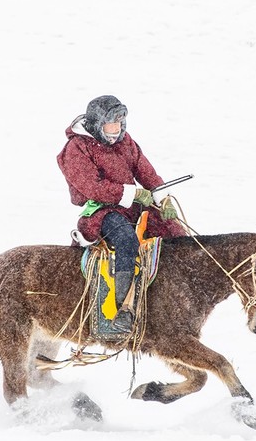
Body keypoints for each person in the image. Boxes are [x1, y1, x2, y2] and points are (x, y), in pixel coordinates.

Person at [57, 95, 185, 333]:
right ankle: (123, 307)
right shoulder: (76, 148)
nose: (115, 132)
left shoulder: (126, 142)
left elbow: (146, 172)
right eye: (110, 126)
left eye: (119, 126)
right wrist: (133, 194)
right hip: (102, 212)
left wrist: (162, 198)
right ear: (97, 124)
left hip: (132, 207)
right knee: (127, 240)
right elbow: (91, 186)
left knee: (174, 231)